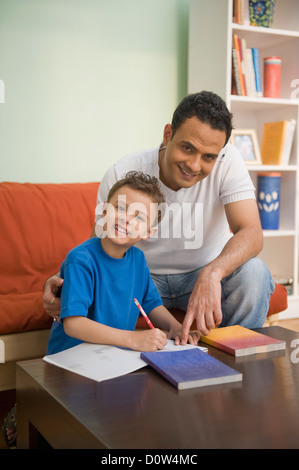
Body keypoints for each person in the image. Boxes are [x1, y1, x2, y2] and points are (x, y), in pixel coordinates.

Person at [43, 90, 274, 345]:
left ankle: (234, 361)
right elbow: (99, 244)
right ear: (168, 135)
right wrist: (66, 281)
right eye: (187, 148)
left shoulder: (228, 161)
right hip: (140, 276)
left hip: (201, 273)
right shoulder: (124, 172)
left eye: (208, 157)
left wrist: (212, 273)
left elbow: (251, 233)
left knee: (256, 274)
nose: (195, 165)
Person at [47, 170, 200, 355]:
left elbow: (150, 303)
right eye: (120, 208)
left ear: (147, 233)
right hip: (71, 359)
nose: (126, 218)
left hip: (113, 356)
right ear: (104, 212)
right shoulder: (80, 259)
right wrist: (133, 338)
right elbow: (73, 324)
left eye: (139, 217)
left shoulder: (138, 260)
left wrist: (175, 327)